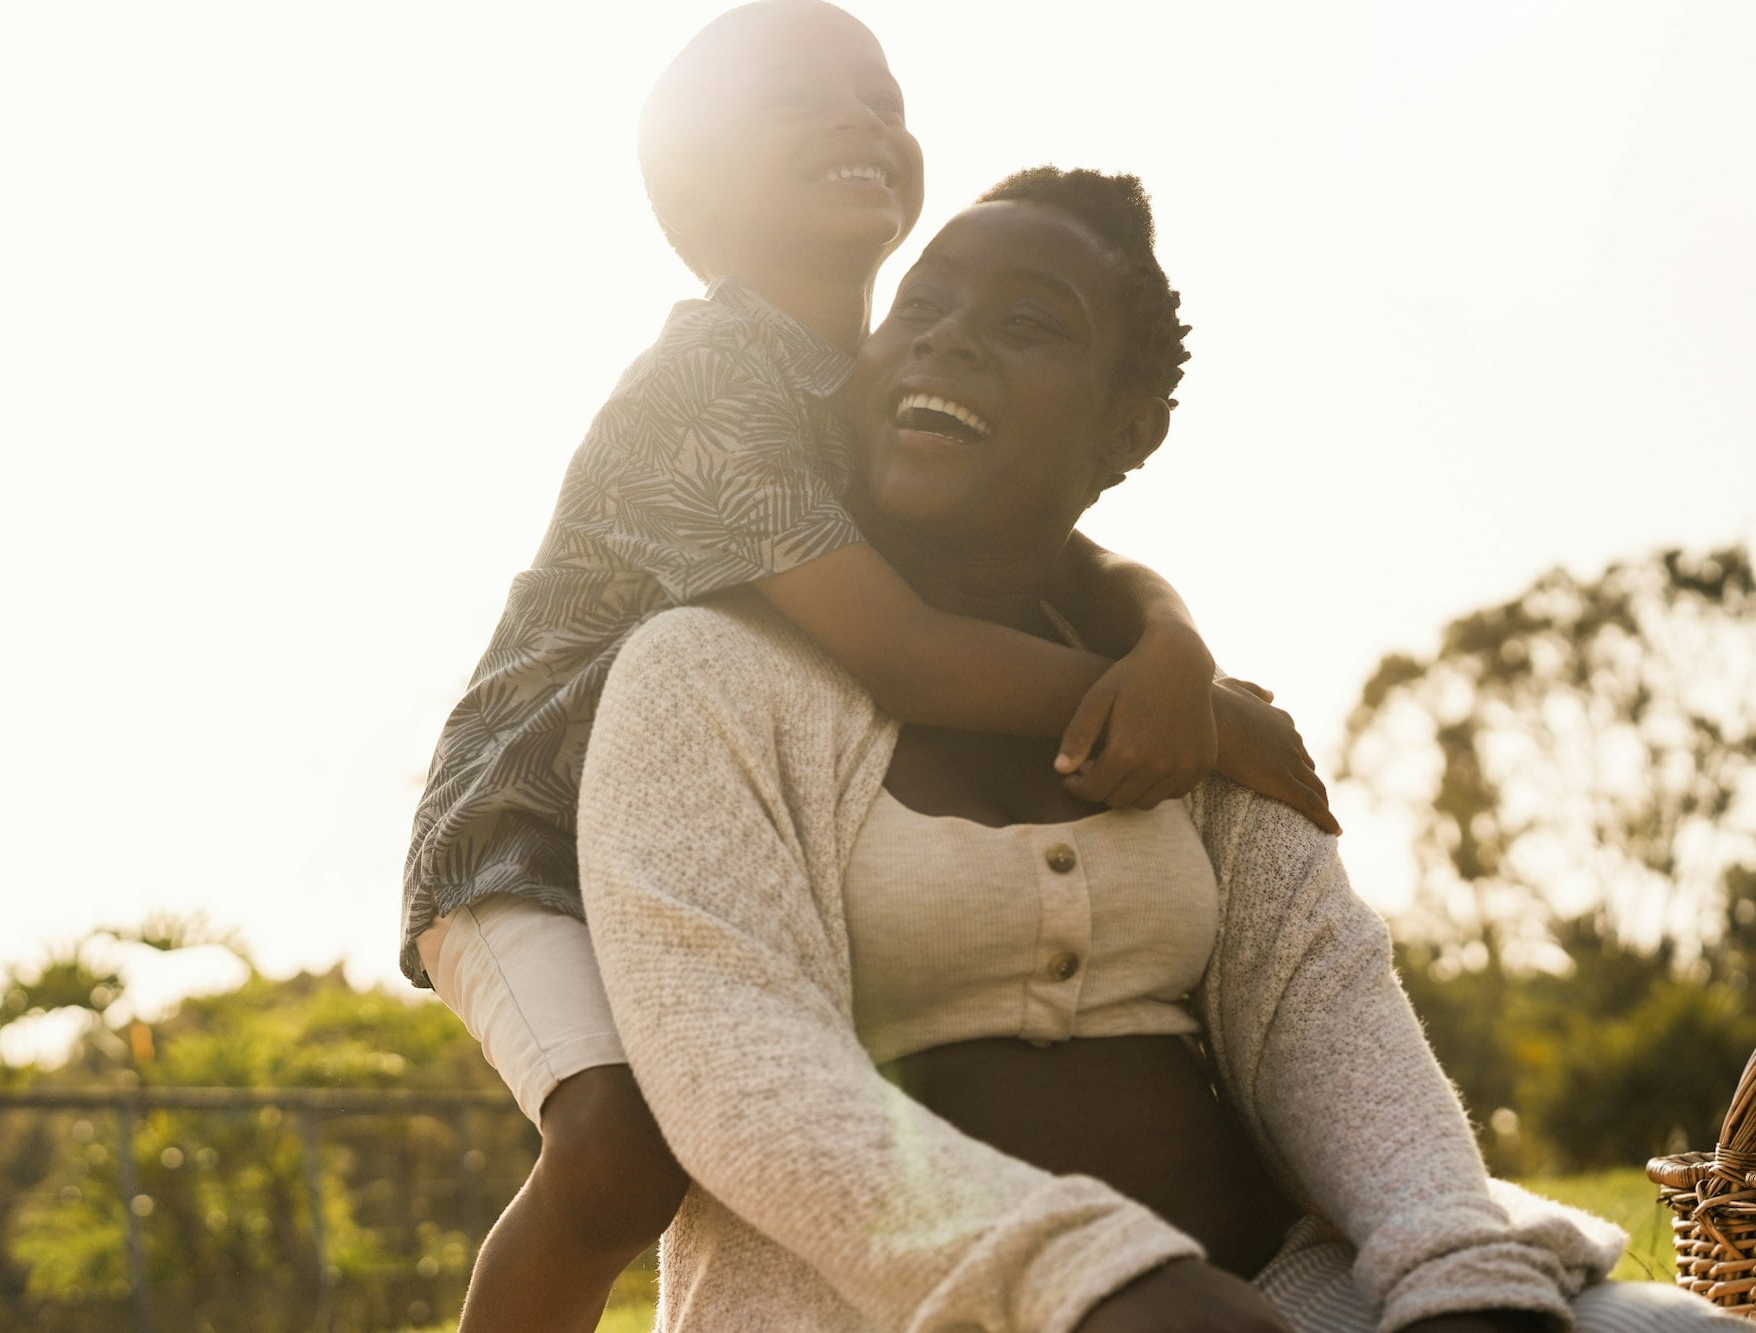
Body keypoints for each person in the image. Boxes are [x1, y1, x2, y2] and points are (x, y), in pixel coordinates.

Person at [578, 168, 1730, 1330]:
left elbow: (1325, 1007)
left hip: (1284, 1294)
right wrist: (1101, 1285)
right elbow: (742, 1073)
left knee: (1677, 1332)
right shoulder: (703, 675)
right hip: (921, 1314)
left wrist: (1451, 1277)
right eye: (918, 308)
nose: (951, 340)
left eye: (1025, 324)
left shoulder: (1189, 710)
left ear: (1129, 431)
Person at [400, 5, 1334, 1328]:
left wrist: (1177, 650)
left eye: (882, 99)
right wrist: (1203, 721)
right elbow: (902, 652)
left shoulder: (875, 377)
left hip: (722, 826)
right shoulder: (706, 385)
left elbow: (1084, 568)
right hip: (526, 832)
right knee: (622, 1149)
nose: (862, 122)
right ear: (700, 187)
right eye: (801, 103)